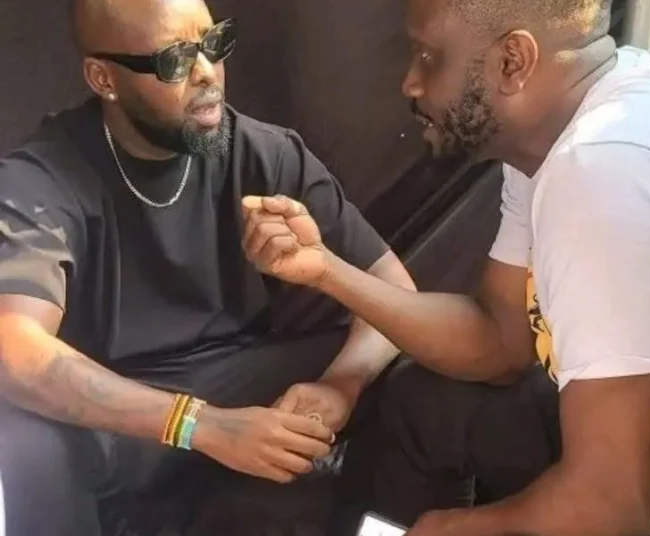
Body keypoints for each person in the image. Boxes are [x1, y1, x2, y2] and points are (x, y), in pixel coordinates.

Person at [241, 0, 650, 534]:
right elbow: (499, 339)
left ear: (513, 61)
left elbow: (617, 504)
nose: (410, 82)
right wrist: (326, 270)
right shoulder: (582, 112)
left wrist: (456, 526)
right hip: (640, 470)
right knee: (427, 403)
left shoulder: (602, 175)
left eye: (428, 56)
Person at [0, 0, 415, 534]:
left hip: (238, 378)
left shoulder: (264, 152)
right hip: (117, 411)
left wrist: (341, 386)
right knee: (25, 438)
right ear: (103, 78)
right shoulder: (42, 180)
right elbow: (15, 350)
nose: (207, 73)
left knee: (411, 367)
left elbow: (393, 293)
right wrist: (199, 425)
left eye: (213, 44)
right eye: (175, 59)